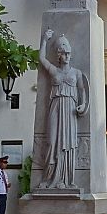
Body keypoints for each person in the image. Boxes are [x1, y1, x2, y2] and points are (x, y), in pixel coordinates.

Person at [39, 29, 89, 189]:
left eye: (68, 53)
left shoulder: (77, 73)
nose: (67, 56)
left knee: (67, 143)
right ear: (58, 55)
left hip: (70, 110)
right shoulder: (54, 70)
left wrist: (82, 104)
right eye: (63, 53)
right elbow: (41, 59)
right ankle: (50, 178)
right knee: (53, 141)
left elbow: (82, 90)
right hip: (55, 107)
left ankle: (66, 179)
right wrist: (44, 40)